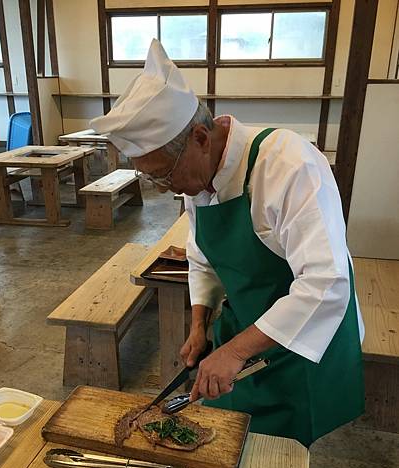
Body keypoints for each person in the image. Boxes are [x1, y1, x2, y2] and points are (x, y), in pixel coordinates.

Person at [91, 39, 365, 447]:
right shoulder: (196, 176)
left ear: (201, 138)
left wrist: (235, 352)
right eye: (154, 180)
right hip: (248, 326)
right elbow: (202, 256)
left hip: (305, 336)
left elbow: (326, 283)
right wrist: (200, 323)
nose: (167, 190)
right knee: (231, 440)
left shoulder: (289, 165)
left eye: (165, 175)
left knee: (283, 456)